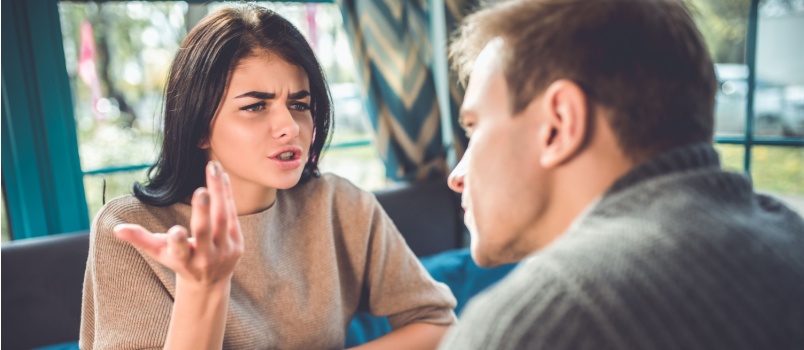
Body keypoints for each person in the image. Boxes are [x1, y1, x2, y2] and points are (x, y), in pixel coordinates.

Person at [80, 4, 456, 349]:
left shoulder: (339, 204)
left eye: (299, 104)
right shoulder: (130, 229)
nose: (289, 126)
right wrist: (202, 288)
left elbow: (436, 320)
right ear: (199, 128)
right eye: (256, 106)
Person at [440, 0, 804, 349]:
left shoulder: (542, 319)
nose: (456, 176)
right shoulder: (787, 235)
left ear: (558, 125)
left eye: (474, 128)